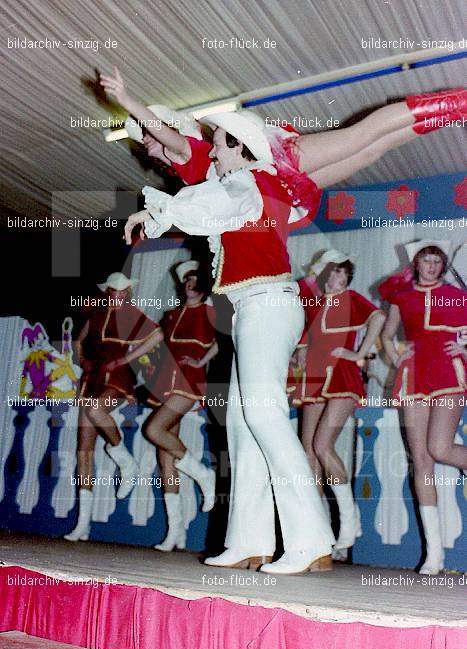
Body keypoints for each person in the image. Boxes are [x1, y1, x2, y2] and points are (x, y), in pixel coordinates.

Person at [121, 109, 336, 575]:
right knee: (242, 426)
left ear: (242, 148)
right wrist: (162, 210)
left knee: (263, 416)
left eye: (220, 144)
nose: (213, 151)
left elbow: (200, 205)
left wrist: (157, 210)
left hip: (267, 306)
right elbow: (204, 201)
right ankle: (249, 538)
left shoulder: (250, 182)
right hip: (253, 310)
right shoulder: (243, 186)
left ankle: (311, 538)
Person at [100, 67, 465, 197]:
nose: (144, 141)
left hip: (278, 163)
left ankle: (459, 103)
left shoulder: (187, 151)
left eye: (143, 134)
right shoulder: (185, 166)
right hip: (280, 187)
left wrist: (128, 100)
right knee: (369, 152)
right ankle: (450, 115)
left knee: (360, 136)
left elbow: (162, 132)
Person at [380, 240, 467, 575]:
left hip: (447, 370)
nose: (431, 265)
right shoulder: (402, 298)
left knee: (440, 448)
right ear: (415, 263)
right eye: (425, 260)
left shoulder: (457, 295)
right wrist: (396, 354)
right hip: (414, 373)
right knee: (421, 459)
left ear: (442, 265)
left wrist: (463, 351)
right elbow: (388, 334)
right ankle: (434, 554)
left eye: (436, 260)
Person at [292, 250, 385, 559]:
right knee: (307, 451)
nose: (337, 278)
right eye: (332, 272)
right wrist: (301, 351)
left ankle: (349, 522)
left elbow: (379, 318)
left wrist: (359, 354)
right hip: (314, 376)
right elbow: (303, 335)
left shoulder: (353, 299)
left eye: (342, 273)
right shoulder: (314, 302)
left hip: (343, 376)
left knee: (322, 446)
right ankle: (317, 528)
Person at [65, 273, 163, 541]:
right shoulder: (97, 313)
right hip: (92, 376)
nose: (118, 296)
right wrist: (82, 357)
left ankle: (124, 459)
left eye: (123, 292)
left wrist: (126, 359)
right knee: (83, 452)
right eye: (114, 291)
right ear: (107, 291)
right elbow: (78, 339)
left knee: (97, 410)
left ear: (129, 292)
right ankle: (82, 524)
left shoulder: (131, 314)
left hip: (117, 376)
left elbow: (157, 335)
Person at [143, 260, 218, 551]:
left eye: (194, 279)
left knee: (154, 429)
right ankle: (175, 532)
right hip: (166, 377)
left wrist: (201, 361)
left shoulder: (211, 312)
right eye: (186, 279)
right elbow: (155, 340)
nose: (189, 284)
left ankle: (203, 474)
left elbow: (223, 341)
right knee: (165, 457)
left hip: (190, 379)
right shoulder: (172, 314)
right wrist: (128, 358)